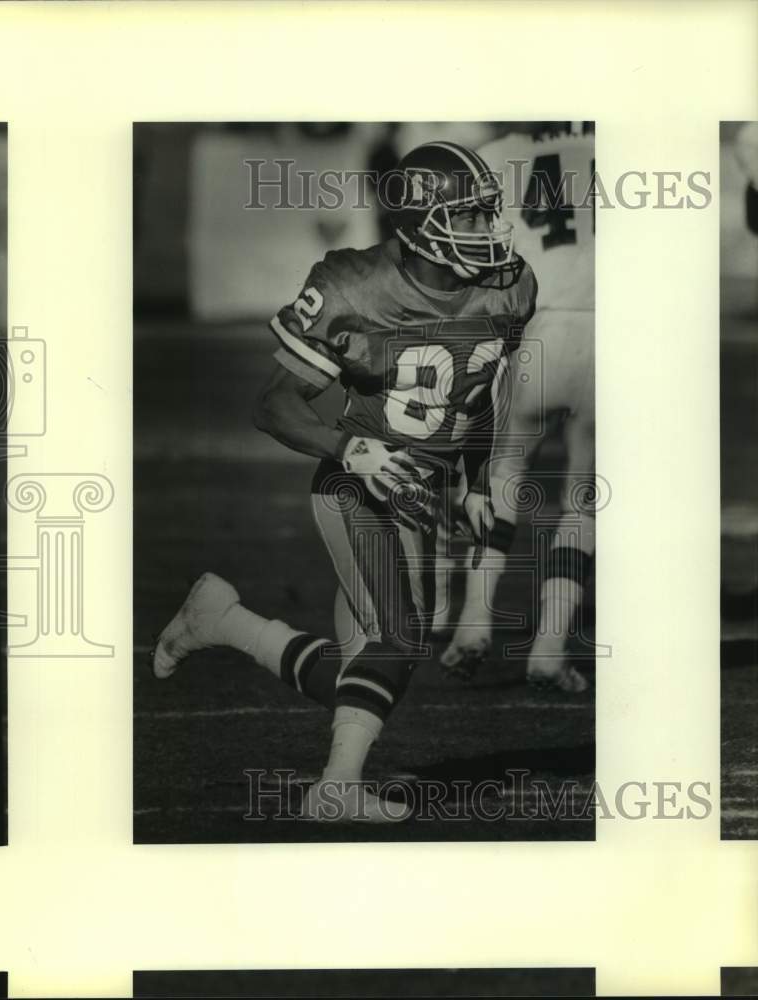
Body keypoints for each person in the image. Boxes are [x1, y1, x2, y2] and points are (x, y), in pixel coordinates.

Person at [152, 141, 537, 822]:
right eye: (470, 216)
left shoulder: (510, 286)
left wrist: (476, 480)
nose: (489, 230)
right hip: (355, 482)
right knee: (401, 637)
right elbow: (273, 404)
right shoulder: (354, 285)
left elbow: (480, 395)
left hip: (426, 490)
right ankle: (335, 790)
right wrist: (351, 449)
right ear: (422, 221)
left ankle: (227, 623)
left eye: (487, 214)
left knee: (368, 668)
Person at [439, 123, 595, 693]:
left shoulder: (494, 157)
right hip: (611, 331)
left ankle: (473, 622)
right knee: (584, 497)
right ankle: (549, 648)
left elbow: (464, 265)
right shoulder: (629, 149)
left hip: (538, 329)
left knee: (502, 477)